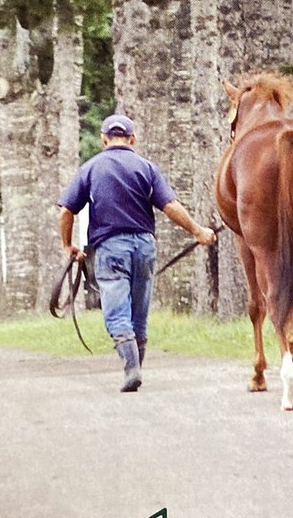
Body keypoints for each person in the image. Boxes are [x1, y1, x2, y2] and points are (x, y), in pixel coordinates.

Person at [57, 113, 216, 392]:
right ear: (132, 139)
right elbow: (170, 206)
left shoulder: (90, 168)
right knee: (138, 314)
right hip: (144, 246)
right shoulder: (146, 168)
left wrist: (67, 245)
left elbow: (66, 211)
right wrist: (198, 231)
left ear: (104, 139)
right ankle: (136, 368)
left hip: (110, 248)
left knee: (117, 312)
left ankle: (131, 370)